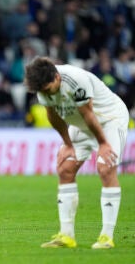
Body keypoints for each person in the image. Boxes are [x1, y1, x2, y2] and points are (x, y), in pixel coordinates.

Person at [24, 57, 129, 249]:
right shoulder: (43, 86)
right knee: (65, 168)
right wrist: (67, 144)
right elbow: (52, 115)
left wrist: (104, 144)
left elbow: (89, 113)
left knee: (105, 169)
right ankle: (66, 236)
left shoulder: (76, 80)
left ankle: (106, 237)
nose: (46, 94)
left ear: (57, 77)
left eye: (48, 89)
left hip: (109, 120)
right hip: (81, 124)